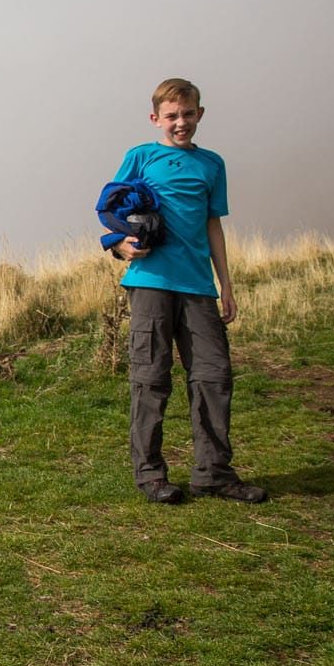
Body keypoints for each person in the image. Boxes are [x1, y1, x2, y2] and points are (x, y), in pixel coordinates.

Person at [107, 79, 267, 505]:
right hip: (150, 283)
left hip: (198, 287)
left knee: (214, 376)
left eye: (188, 114)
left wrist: (225, 283)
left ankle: (213, 473)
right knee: (151, 378)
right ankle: (151, 475)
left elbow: (214, 224)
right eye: (172, 115)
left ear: (200, 114)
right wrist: (118, 245)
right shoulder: (140, 157)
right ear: (156, 118)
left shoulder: (212, 165)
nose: (181, 122)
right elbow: (111, 208)